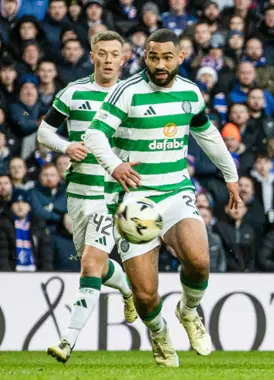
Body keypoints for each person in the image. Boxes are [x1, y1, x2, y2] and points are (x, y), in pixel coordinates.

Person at [84, 29, 240, 367]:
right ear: (145, 57)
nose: (160, 64)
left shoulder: (190, 92)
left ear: (180, 58)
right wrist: (115, 166)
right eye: (153, 57)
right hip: (133, 201)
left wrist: (231, 176)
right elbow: (94, 134)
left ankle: (188, 311)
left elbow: (208, 134)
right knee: (144, 292)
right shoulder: (127, 92)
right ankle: (158, 334)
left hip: (175, 192)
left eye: (167, 57)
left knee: (199, 261)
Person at [37, 31, 136, 364]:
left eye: (115, 54)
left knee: (90, 265)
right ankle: (127, 288)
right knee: (96, 266)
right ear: (92, 56)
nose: (109, 60)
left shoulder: (133, 97)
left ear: (124, 59)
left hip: (109, 196)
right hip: (77, 193)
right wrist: (66, 146)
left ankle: (67, 340)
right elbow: (43, 131)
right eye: (102, 53)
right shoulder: (74, 92)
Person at [0, 189, 52, 271]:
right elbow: (2, 255)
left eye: (24, 202)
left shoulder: (38, 225)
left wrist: (45, 274)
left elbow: (45, 255)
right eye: (16, 202)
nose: (20, 206)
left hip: (35, 273)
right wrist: (7, 276)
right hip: (12, 274)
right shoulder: (3, 224)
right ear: (11, 206)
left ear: (29, 207)